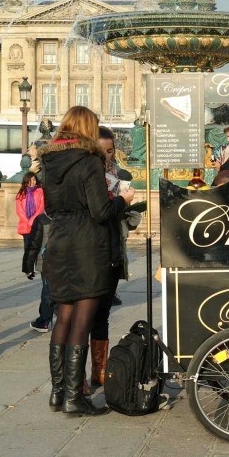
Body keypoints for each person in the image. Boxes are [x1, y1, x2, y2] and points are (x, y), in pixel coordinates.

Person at [39, 106, 135, 416]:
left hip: (59, 240)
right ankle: (74, 398)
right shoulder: (90, 161)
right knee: (83, 319)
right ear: (87, 130)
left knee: (63, 317)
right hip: (87, 245)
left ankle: (57, 392)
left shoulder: (50, 162)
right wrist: (124, 200)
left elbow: (51, 208)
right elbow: (101, 212)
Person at [87, 126, 141, 391]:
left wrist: (129, 206)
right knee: (83, 316)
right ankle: (73, 381)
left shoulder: (117, 174)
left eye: (111, 150)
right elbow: (96, 212)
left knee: (103, 314)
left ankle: (100, 370)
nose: (109, 156)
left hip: (113, 251)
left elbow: (128, 220)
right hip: (89, 252)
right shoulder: (86, 175)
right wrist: (118, 201)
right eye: (104, 151)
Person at [24, 211, 55, 332]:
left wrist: (28, 267)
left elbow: (33, 244)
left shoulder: (43, 218)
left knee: (47, 292)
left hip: (47, 262)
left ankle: (44, 321)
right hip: (66, 262)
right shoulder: (73, 214)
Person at [16, 171, 45, 276]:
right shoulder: (21, 193)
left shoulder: (40, 191)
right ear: (26, 181)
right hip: (25, 225)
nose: (33, 182)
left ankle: (38, 266)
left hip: (37, 225)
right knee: (27, 247)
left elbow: (41, 207)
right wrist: (27, 221)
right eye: (30, 180)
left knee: (38, 247)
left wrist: (33, 219)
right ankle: (28, 270)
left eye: (34, 179)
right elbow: (19, 210)